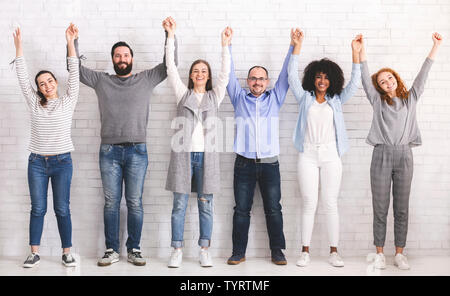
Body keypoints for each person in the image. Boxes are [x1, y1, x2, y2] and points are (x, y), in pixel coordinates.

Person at [69, 18, 178, 266]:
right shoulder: (101, 80)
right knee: (111, 202)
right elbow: (75, 70)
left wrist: (169, 35)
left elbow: (170, 66)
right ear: (113, 60)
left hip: (138, 151)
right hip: (108, 151)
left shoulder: (146, 78)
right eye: (117, 55)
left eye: (125, 55)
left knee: (135, 202)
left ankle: (135, 248)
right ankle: (111, 249)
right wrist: (73, 42)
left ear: (131, 58)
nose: (121, 58)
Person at [360, 32, 443, 270]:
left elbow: (423, 75)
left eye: (390, 78)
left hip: (405, 155)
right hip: (381, 154)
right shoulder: (377, 101)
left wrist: (435, 46)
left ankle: (399, 253)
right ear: (379, 87)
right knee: (380, 206)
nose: (387, 83)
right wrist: (361, 50)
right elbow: (366, 79)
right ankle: (379, 253)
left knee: (402, 207)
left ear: (396, 78)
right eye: (383, 82)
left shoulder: (411, 99)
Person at [287, 29, 362, 267]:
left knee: (330, 202)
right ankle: (305, 251)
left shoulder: (337, 100)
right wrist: (296, 46)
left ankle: (333, 252)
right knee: (309, 202)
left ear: (332, 81)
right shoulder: (305, 98)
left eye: (326, 78)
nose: (322, 81)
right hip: (307, 154)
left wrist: (355, 54)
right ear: (312, 78)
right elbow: (290, 75)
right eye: (319, 77)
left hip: (331, 155)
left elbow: (355, 83)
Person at [163, 17, 231, 268]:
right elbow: (170, 67)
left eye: (204, 71)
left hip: (207, 158)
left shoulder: (216, 96)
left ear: (208, 76)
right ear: (190, 76)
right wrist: (170, 37)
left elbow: (226, 74)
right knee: (179, 205)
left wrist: (225, 45)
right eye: (195, 71)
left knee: (205, 205)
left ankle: (204, 249)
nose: (200, 74)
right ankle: (177, 249)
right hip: (184, 156)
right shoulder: (183, 94)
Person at [12, 24, 79, 268]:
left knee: (62, 208)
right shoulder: (34, 103)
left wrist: (70, 41)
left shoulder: (68, 101)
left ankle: (67, 253)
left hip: (62, 162)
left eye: (49, 81)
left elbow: (75, 73)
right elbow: (21, 75)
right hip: (37, 163)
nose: (47, 85)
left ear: (56, 83)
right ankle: (34, 253)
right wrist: (19, 47)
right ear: (38, 89)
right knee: (38, 208)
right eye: (41, 83)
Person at [226, 29, 294, 266]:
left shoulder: (275, 98)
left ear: (267, 82)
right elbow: (228, 75)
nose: (257, 82)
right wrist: (227, 46)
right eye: (253, 78)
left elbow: (286, 74)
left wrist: (293, 47)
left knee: (273, 209)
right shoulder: (238, 98)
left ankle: (277, 251)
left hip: (270, 164)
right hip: (243, 163)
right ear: (248, 82)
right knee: (241, 210)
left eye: (261, 79)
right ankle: (238, 252)